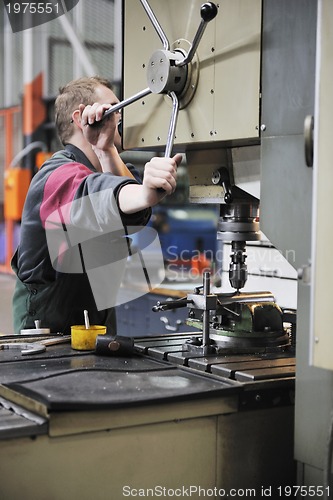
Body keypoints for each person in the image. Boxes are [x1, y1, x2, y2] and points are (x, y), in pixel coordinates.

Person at [11, 76, 181, 335]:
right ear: (82, 119)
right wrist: (146, 193)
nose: (122, 115)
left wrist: (105, 149)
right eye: (113, 108)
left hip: (96, 328)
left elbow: (132, 212)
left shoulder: (109, 168)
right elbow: (100, 195)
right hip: (47, 337)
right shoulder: (57, 177)